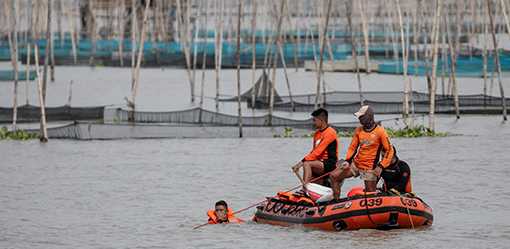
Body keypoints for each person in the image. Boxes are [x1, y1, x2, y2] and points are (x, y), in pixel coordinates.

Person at [329, 105, 394, 200]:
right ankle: (335, 202)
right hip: (356, 164)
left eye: (361, 116)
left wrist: (381, 166)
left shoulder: (380, 131)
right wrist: (347, 161)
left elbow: (389, 150)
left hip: (370, 168)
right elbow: (352, 148)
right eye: (359, 117)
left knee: (370, 196)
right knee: (333, 176)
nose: (359, 119)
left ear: (369, 116)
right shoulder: (358, 130)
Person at [292, 108, 338, 186]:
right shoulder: (316, 134)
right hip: (319, 163)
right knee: (308, 165)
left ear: (321, 120)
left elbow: (318, 152)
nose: (313, 123)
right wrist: (301, 163)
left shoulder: (330, 132)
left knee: (307, 164)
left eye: (314, 120)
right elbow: (314, 152)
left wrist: (300, 163)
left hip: (330, 163)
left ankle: (305, 189)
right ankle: (310, 188)